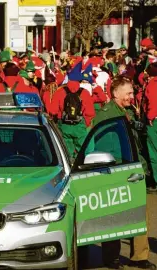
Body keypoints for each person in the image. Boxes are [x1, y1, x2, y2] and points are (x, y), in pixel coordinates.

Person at [93, 76, 156, 270]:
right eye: (128, 93)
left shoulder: (127, 112)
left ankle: (140, 256)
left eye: (132, 92)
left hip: (134, 169)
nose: (132, 96)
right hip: (118, 170)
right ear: (115, 93)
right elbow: (107, 147)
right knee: (114, 214)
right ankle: (111, 257)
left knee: (140, 214)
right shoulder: (106, 114)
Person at [51, 78, 95, 158]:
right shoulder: (85, 93)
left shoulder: (59, 92)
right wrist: (86, 123)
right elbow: (90, 112)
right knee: (83, 151)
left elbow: (53, 111)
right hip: (80, 125)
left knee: (66, 151)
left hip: (64, 125)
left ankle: (69, 165)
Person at [145, 63, 157, 192]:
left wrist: (150, 116)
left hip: (155, 120)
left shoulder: (153, 84)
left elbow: (153, 101)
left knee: (154, 152)